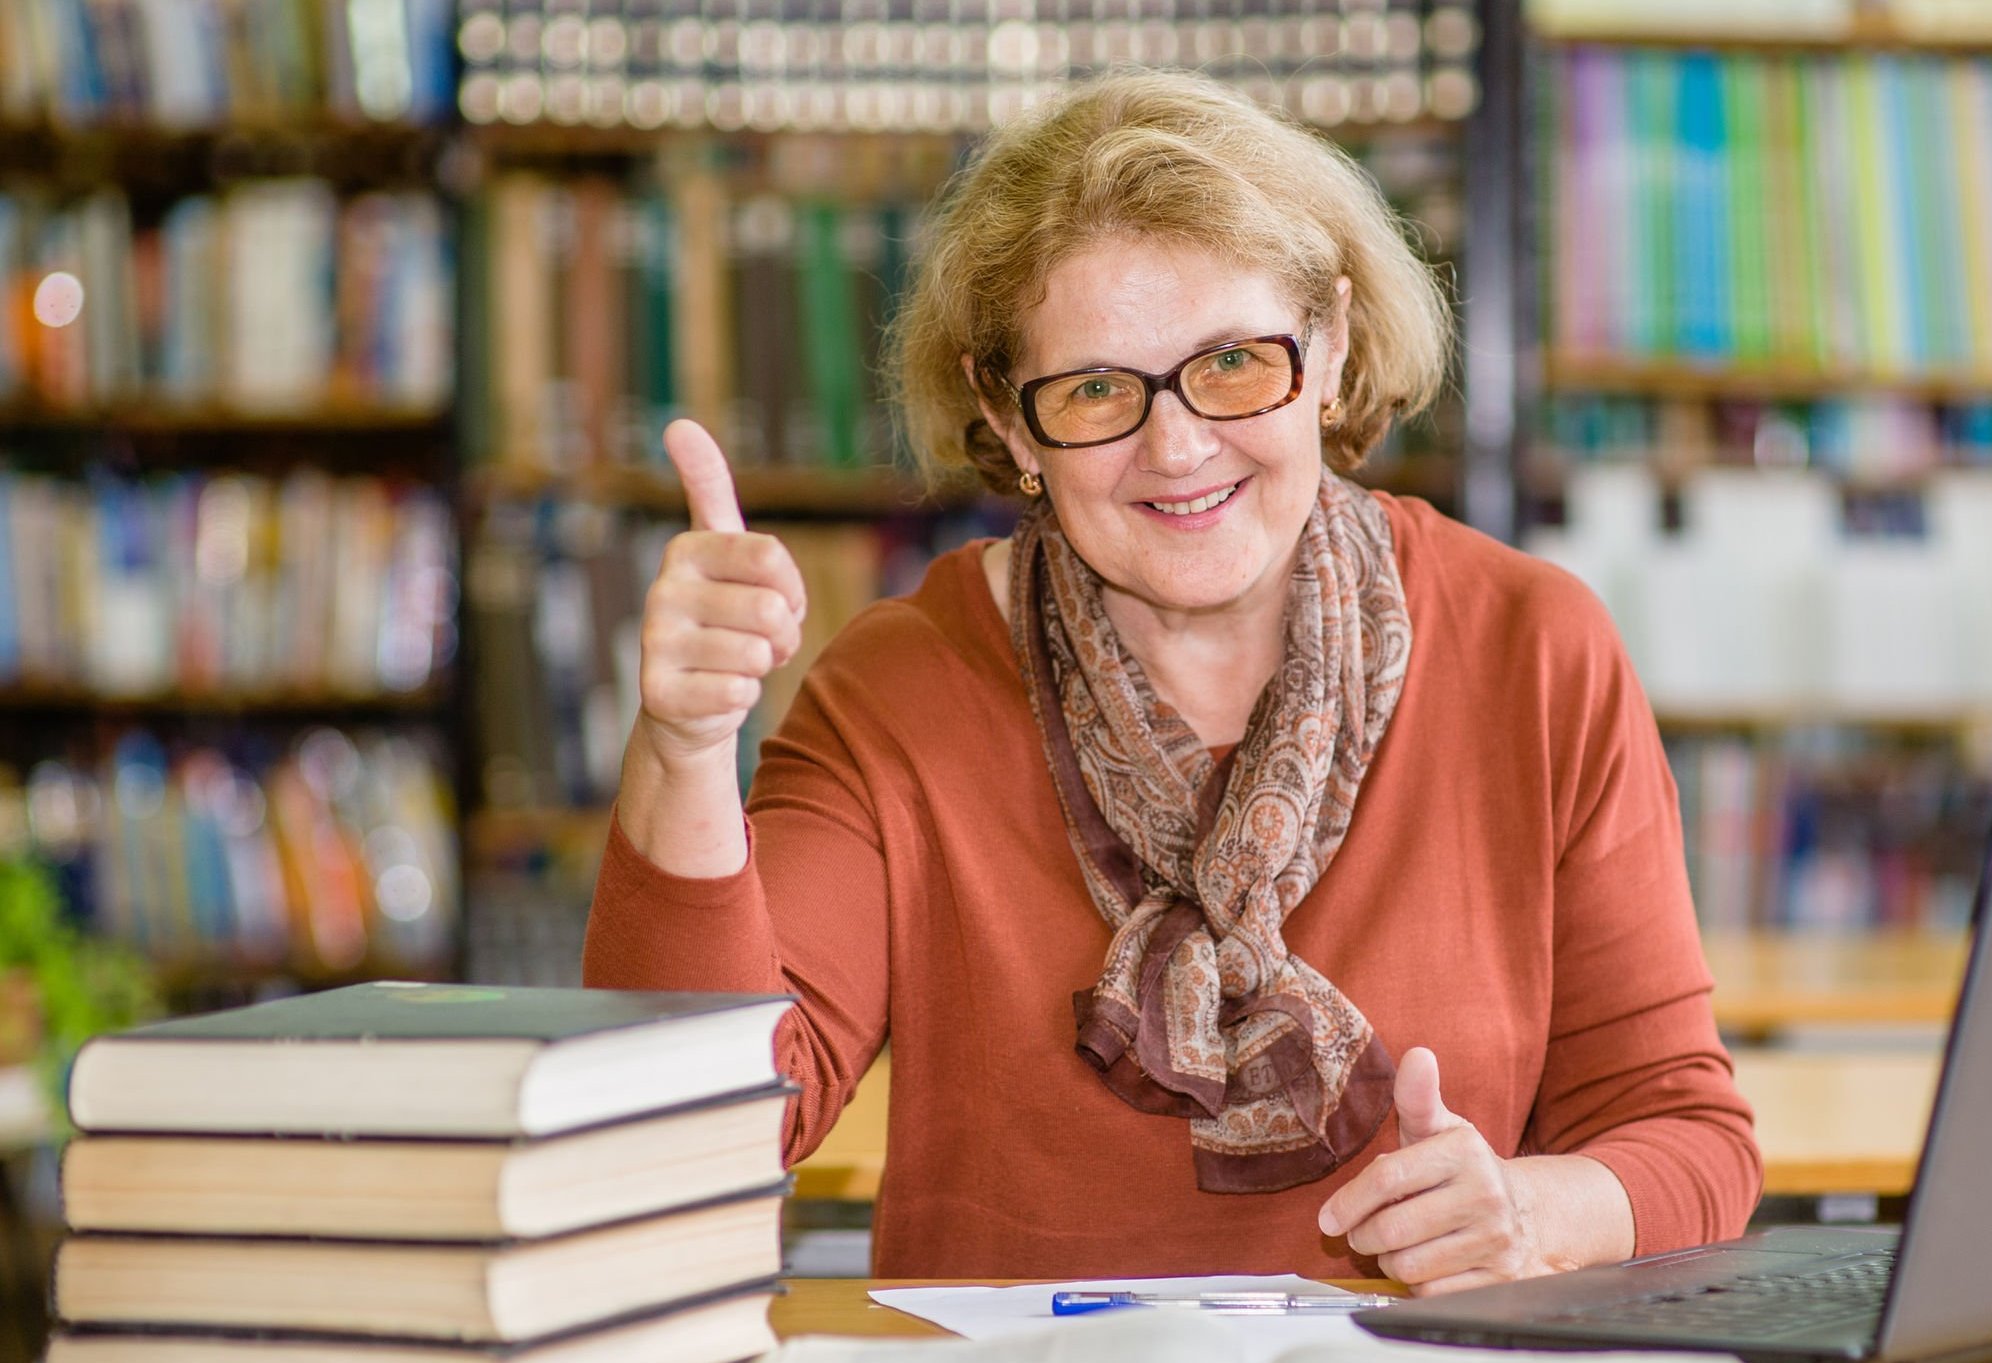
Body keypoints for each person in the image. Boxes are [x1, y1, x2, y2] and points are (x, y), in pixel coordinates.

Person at [585, 68, 1759, 1292]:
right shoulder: (899, 688)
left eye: (1237, 363)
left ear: (1336, 344)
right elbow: (691, 1141)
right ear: (1009, 416)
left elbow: (1690, 1136)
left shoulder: (1534, 648)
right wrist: (681, 749)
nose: (1179, 445)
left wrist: (1535, 1209)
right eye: (1095, 389)